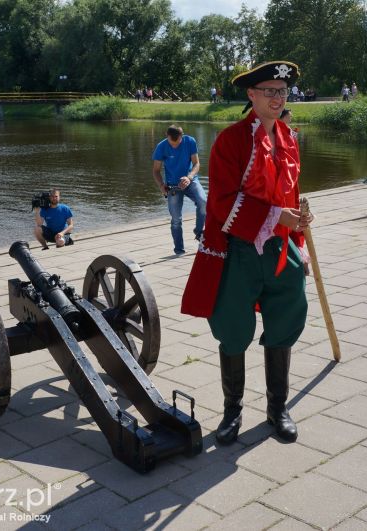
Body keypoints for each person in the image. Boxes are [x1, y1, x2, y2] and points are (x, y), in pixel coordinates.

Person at [181, 60, 312, 445]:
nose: (277, 98)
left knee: (287, 317)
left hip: (280, 248)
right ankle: (232, 411)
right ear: (251, 95)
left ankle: (277, 408)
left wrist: (297, 225)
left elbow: (289, 191)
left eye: (282, 92)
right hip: (238, 250)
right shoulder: (231, 141)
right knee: (233, 329)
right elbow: (221, 203)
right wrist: (276, 216)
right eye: (270, 91)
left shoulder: (288, 136)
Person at [152, 125, 207, 255]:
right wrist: (161, 185)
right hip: (173, 186)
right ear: (167, 136)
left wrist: (189, 177)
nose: (175, 145)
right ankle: (179, 250)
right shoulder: (161, 147)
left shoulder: (190, 141)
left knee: (203, 201)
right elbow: (155, 170)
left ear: (182, 136)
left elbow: (196, 163)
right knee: (176, 219)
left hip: (190, 180)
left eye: (178, 142)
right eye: (172, 143)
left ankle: (199, 232)